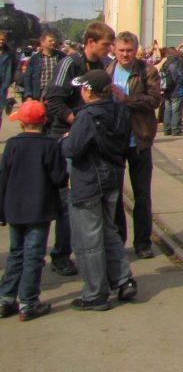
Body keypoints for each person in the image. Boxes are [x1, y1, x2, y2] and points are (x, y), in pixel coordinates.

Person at [42, 20, 115, 277]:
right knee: (67, 201)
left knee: (86, 199)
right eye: (106, 45)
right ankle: (61, 255)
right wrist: (77, 121)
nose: (110, 49)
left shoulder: (99, 66)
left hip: (88, 140)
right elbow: (52, 100)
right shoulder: (70, 64)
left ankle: (83, 250)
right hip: (64, 138)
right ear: (91, 42)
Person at [62, 69, 137, 311]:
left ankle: (95, 293)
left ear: (88, 91)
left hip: (88, 181)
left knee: (89, 238)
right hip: (112, 177)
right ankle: (123, 279)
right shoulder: (121, 111)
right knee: (108, 230)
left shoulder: (86, 116)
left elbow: (73, 150)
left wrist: (65, 139)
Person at [0, 101, 68, 321]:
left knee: (16, 253)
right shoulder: (50, 145)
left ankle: (6, 298)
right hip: (40, 207)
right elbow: (59, 178)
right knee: (33, 255)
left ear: (21, 123)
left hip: (14, 207)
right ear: (44, 121)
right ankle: (28, 301)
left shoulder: (12, 145)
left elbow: (3, 178)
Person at [106, 31, 162, 258]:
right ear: (114, 50)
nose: (125, 55)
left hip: (139, 139)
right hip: (114, 141)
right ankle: (118, 239)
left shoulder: (148, 71)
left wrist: (126, 99)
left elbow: (155, 100)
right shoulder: (107, 71)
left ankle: (143, 242)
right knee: (115, 195)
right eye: (121, 50)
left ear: (136, 50)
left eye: (129, 51)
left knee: (142, 195)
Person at [23, 29, 66, 102]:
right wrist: (28, 95)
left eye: (54, 41)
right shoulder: (34, 59)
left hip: (56, 93)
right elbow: (28, 77)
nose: (53, 42)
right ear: (42, 43)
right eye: (50, 41)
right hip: (39, 94)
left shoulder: (61, 56)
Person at [162, 49, 183, 136]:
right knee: (176, 111)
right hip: (177, 91)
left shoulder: (165, 63)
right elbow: (182, 77)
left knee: (167, 110)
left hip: (167, 90)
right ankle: (176, 130)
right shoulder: (178, 63)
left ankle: (166, 129)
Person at [0, 31, 16, 119]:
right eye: (0, 39)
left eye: (3, 39)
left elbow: (10, 71)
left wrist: (6, 85)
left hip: (2, 87)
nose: (1, 41)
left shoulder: (8, 54)